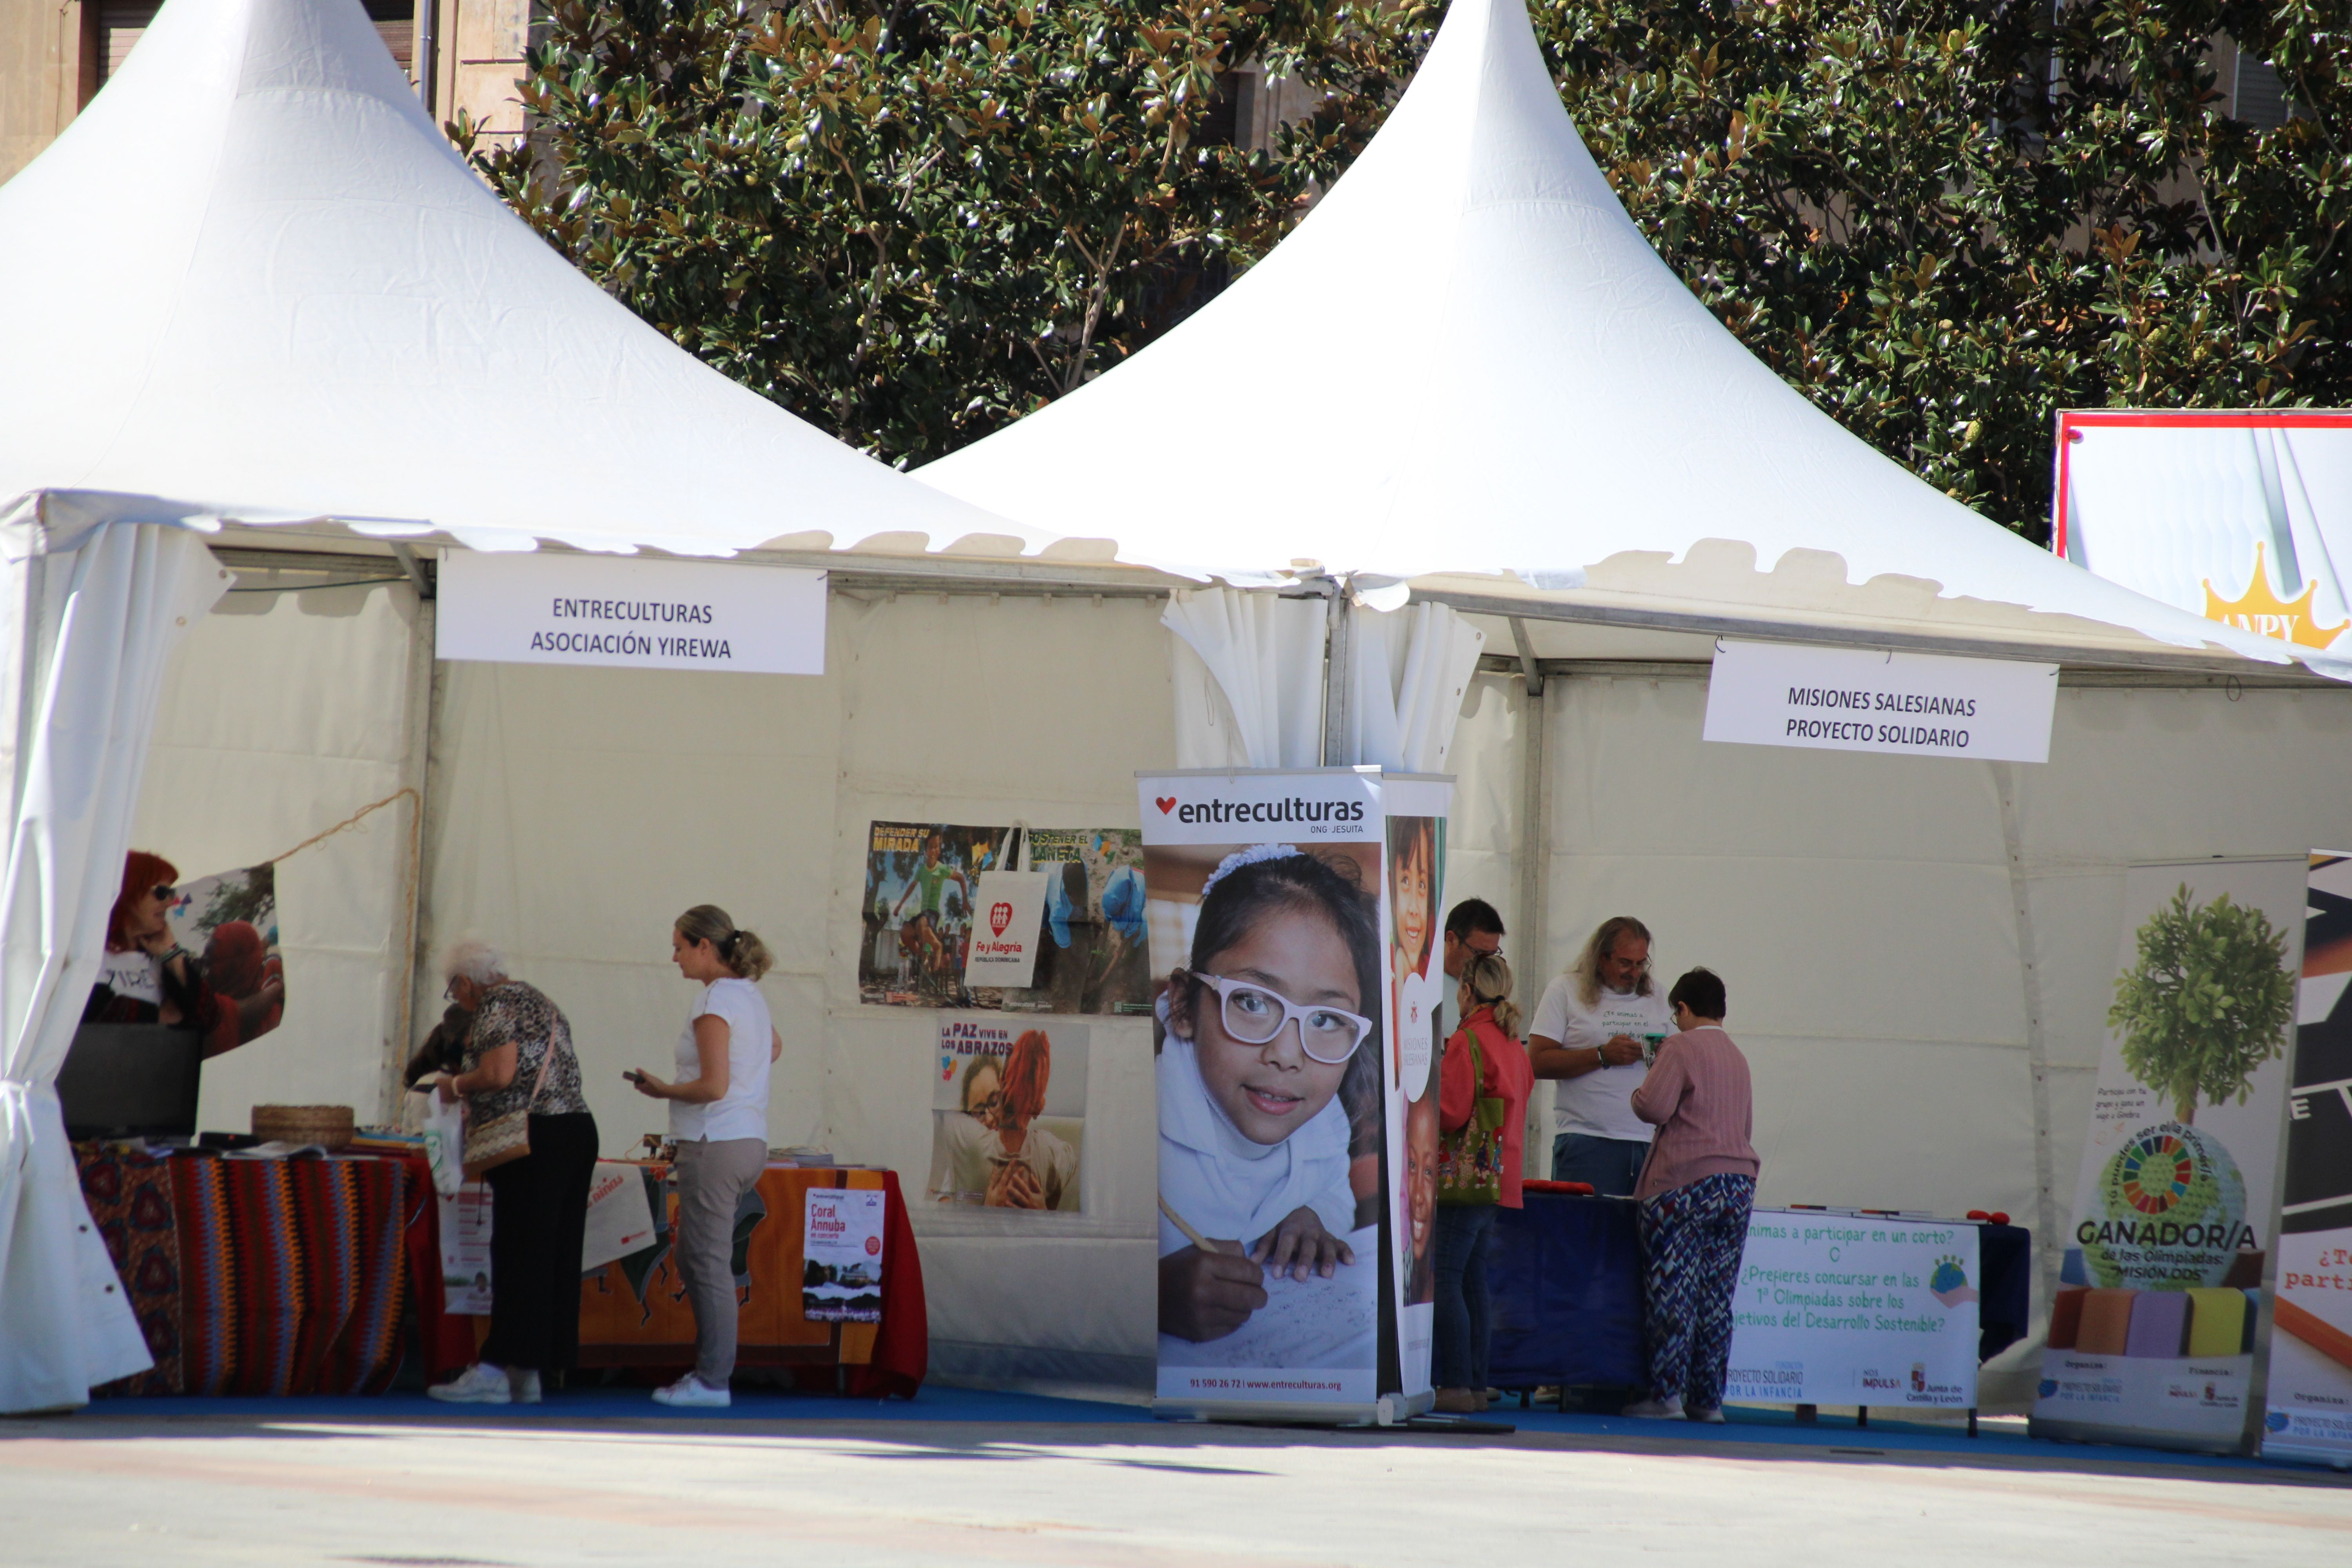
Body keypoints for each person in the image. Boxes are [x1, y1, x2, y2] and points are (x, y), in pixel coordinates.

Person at [1157, 846, 1379, 1344]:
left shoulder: (1322, 1121)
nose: (1287, 1054)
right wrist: (1152, 1293)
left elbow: (1334, 1190)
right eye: (1253, 1002)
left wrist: (1314, 1214)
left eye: (1325, 1020)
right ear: (1183, 1005)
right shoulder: (1142, 1117)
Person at [425, 939, 599, 1405]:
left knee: (518, 1252)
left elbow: (499, 1074)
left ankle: (494, 1368)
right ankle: (528, 1370)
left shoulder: (497, 1003)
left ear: (465, 982)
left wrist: (453, 1084)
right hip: (574, 1131)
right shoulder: (538, 998)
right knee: (550, 1257)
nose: (457, 999)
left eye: (454, 990)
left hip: (534, 1137)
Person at [628, 905, 782, 1408]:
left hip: (716, 1142)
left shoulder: (715, 1001)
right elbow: (773, 1048)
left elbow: (714, 1086)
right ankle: (710, 1373)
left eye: (678, 946)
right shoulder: (749, 997)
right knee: (699, 1259)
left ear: (704, 947)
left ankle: (714, 1380)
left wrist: (663, 1089)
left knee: (707, 1261)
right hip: (745, 1139)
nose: (674, 957)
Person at [1624, 966, 1758, 1424]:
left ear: (1682, 1008)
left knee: (1672, 1290)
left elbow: (1653, 1107)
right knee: (1718, 1297)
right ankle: (1709, 1400)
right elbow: (1745, 1128)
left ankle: (1666, 1396)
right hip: (1738, 1184)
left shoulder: (1678, 1046)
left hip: (1683, 1184)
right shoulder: (1738, 1057)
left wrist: (1641, 1089)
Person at [1432, 951, 1533, 1414]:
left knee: (1446, 1277)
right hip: (1500, 1177)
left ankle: (1452, 1383)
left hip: (1464, 1178)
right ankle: (1475, 1384)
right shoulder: (1514, 1044)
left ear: (1469, 991)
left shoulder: (1465, 1040)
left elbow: (1451, 1112)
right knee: (1474, 1280)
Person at [83, 850, 282, 1056]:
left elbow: (211, 1017)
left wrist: (173, 956)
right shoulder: (88, 952)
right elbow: (90, 1009)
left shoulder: (160, 957)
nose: (170, 902)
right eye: (161, 893)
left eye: (171, 894)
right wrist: (165, 1015)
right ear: (130, 891)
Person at [1527, 915, 1669, 1195]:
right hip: (1586, 1140)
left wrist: (1663, 1055)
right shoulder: (1565, 990)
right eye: (1625, 963)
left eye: (1642, 964)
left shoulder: (1659, 997)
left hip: (1648, 1142)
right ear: (1601, 959)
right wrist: (1602, 1055)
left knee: (1638, 1238)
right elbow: (1536, 1061)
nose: (1635, 972)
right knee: (1581, 1235)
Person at [890, 831, 970, 989]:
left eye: (937, 847)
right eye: (931, 847)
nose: (934, 851)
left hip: (932, 914)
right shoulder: (921, 871)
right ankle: (924, 955)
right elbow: (911, 887)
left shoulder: (942, 869)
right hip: (922, 913)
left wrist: (965, 901)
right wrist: (900, 905)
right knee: (905, 932)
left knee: (922, 923)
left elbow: (961, 878)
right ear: (926, 851)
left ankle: (937, 947)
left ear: (939, 851)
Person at [1438, 899, 1505, 1039]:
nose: (1486, 963)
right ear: (1451, 940)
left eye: (1493, 955)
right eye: (1479, 953)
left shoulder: (1491, 987)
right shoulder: (1423, 979)